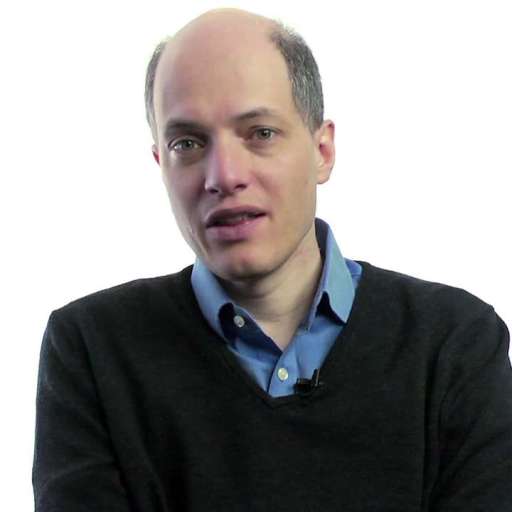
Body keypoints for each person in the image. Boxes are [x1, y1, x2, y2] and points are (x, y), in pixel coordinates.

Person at [32, 7, 512, 511]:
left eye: (260, 133)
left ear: (322, 150)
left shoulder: (455, 343)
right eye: (188, 143)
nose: (224, 175)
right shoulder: (91, 349)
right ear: (161, 164)